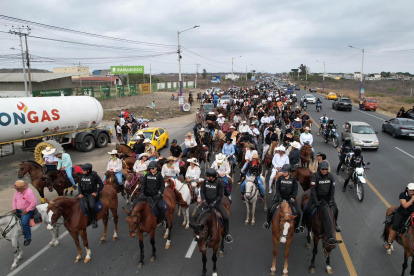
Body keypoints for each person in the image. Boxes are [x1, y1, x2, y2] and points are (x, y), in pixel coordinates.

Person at [300, 161, 340, 232]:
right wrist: (315, 201)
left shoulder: (331, 177)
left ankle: (335, 224)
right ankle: (302, 225)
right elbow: (313, 190)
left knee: (336, 210)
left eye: (326, 169)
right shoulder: (315, 176)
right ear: (320, 169)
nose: (324, 171)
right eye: (323, 169)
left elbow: (332, 190)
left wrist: (331, 200)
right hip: (316, 197)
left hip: (327, 198)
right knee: (306, 209)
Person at [263, 164, 301, 232]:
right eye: (283, 172)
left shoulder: (293, 179)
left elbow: (295, 190)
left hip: (289, 198)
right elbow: (277, 190)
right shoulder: (280, 178)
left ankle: (296, 227)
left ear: (289, 172)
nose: (283, 173)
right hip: (279, 197)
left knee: (298, 212)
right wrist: (280, 198)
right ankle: (268, 223)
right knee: (269, 208)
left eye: (285, 172)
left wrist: (292, 199)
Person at [199, 168, 233, 243]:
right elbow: (202, 192)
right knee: (197, 216)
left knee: (226, 217)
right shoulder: (205, 181)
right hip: (206, 202)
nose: (206, 177)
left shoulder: (219, 183)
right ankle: (198, 232)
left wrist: (214, 203)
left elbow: (220, 195)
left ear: (212, 177)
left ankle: (227, 234)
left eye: (207, 176)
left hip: (216, 203)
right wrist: (204, 201)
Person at [136, 161, 166, 227]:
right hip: (147, 193)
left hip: (155, 194)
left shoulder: (159, 176)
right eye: (150, 168)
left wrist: (160, 193)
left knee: (160, 206)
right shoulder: (147, 175)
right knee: (137, 202)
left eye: (152, 168)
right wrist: (142, 193)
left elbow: (162, 186)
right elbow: (143, 184)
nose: (151, 170)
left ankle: (163, 220)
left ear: (156, 168)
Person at [385, 183, 414, 250]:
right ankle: (389, 243)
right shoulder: (403, 195)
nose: (412, 192)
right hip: (402, 213)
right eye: (411, 190)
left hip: (412, 214)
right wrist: (412, 199)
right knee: (395, 225)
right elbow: (405, 205)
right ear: (407, 189)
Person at [77, 163, 104, 228]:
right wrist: (80, 193)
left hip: (91, 194)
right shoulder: (82, 175)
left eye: (84, 170)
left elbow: (101, 184)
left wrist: (96, 192)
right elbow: (79, 185)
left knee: (92, 206)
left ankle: (94, 220)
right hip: (83, 193)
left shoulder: (94, 175)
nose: (82, 171)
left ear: (88, 170)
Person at [12, 180, 37, 246]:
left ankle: (28, 237)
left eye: (16, 187)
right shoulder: (17, 192)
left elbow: (34, 203)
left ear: (21, 187)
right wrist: (14, 208)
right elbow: (14, 200)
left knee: (24, 222)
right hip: (18, 209)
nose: (15, 188)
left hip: (28, 209)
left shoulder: (29, 192)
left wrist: (27, 210)